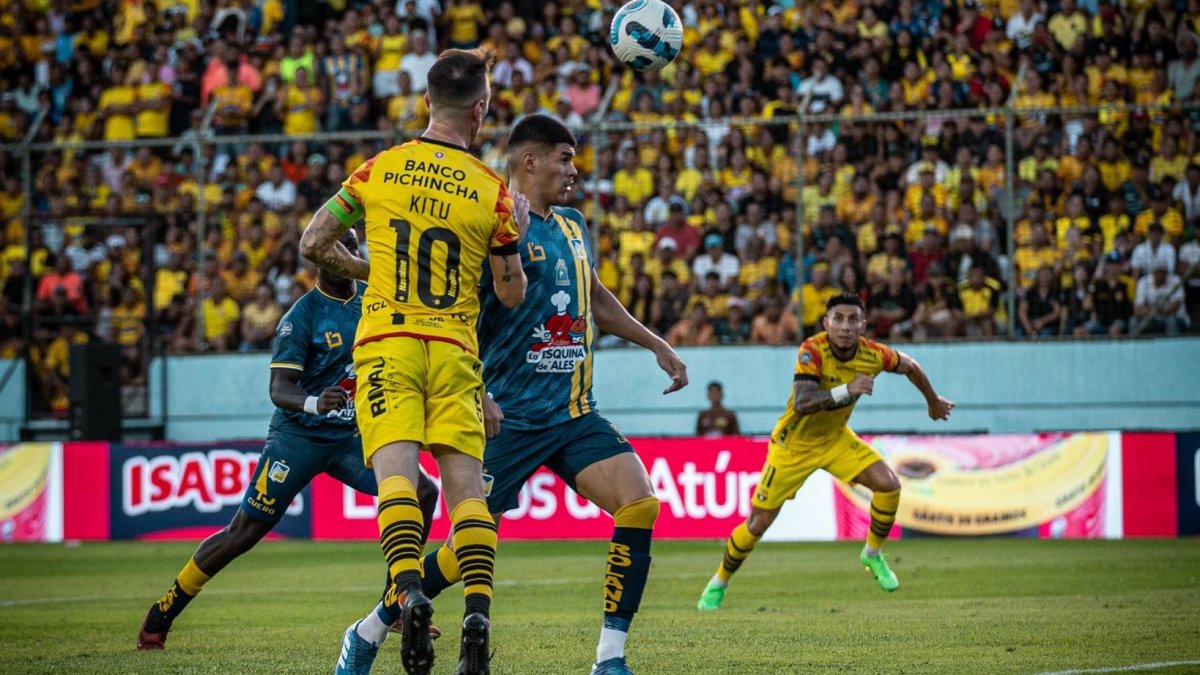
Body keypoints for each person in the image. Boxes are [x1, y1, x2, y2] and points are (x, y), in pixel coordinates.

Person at [345, 114, 687, 675]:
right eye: (564, 158)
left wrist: (656, 344)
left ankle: (610, 658)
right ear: (530, 161)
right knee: (464, 553)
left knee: (640, 504)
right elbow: (456, 309)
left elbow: (594, 294)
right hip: (508, 414)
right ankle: (371, 627)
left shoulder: (574, 225)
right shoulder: (489, 219)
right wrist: (476, 392)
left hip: (574, 413)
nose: (573, 171)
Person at [300, 48, 526, 675]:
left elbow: (313, 242)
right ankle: (477, 616)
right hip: (455, 350)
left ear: (427, 100)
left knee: (396, 478)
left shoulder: (379, 170)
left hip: (386, 345)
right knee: (467, 497)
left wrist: (371, 272)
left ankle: (409, 592)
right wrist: (519, 237)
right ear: (482, 108)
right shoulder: (495, 193)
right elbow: (511, 293)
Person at [136, 230, 439, 651]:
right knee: (243, 532)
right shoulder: (302, 317)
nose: (350, 254)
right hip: (298, 437)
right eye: (339, 247)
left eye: (353, 246)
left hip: (353, 436)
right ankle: (162, 613)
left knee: (423, 490)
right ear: (317, 259)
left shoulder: (375, 298)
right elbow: (279, 387)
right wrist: (315, 402)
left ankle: (396, 604)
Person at [697, 293, 954, 610]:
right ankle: (719, 581)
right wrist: (849, 388)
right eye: (838, 319)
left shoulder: (873, 354)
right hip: (793, 446)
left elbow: (910, 365)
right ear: (826, 323)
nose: (845, 326)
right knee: (758, 524)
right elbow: (804, 402)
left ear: (863, 324)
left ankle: (872, 554)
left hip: (835, 439)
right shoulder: (811, 350)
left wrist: (932, 400)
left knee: (889, 485)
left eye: (852, 320)